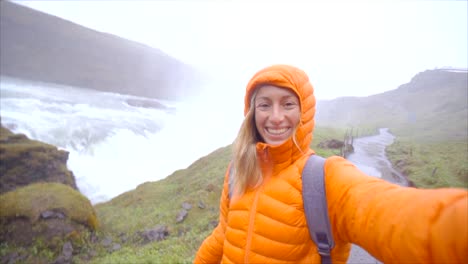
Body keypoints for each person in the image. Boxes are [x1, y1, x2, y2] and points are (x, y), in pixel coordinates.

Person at [194, 64, 467, 264]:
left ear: (305, 112)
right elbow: (224, 233)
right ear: (252, 113)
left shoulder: (323, 178)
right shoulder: (238, 171)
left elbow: (393, 216)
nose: (276, 117)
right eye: (264, 105)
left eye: (288, 104)